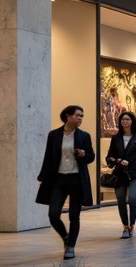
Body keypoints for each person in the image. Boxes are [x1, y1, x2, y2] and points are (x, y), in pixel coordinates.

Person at [36, 105, 96, 259]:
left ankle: (70, 247)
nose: (81, 118)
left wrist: (83, 154)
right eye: (78, 115)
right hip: (58, 180)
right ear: (68, 116)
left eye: (82, 116)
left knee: (74, 215)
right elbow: (48, 157)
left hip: (76, 180)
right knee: (53, 214)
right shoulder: (54, 135)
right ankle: (65, 236)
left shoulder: (84, 136)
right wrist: (42, 177)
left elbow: (91, 157)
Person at [105, 111, 136, 238]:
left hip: (134, 174)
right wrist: (116, 161)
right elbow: (110, 156)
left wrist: (130, 163)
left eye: (128, 119)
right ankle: (125, 226)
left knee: (132, 199)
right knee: (120, 200)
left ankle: (132, 226)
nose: (125, 121)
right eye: (123, 119)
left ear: (132, 121)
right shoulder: (116, 138)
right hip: (119, 174)